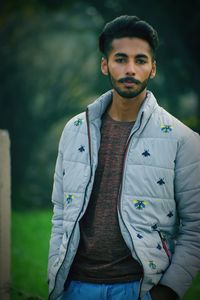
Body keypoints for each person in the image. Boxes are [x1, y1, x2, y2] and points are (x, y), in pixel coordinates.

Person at [47, 15, 200, 300]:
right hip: (74, 288)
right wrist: (56, 283)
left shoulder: (183, 140)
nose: (130, 69)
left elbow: (196, 227)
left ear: (153, 68)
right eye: (120, 59)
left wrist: (166, 292)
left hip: (141, 289)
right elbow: (60, 214)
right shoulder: (74, 130)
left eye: (140, 60)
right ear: (105, 65)